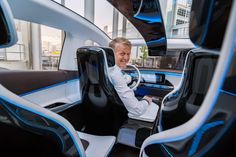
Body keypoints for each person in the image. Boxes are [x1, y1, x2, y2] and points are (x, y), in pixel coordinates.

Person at [108, 37, 153, 116]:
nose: (126, 58)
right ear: (111, 54)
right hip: (119, 114)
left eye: (128, 54)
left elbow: (123, 80)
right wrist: (146, 100)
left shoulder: (106, 69)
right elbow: (137, 110)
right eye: (122, 54)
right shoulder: (116, 74)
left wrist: (128, 80)